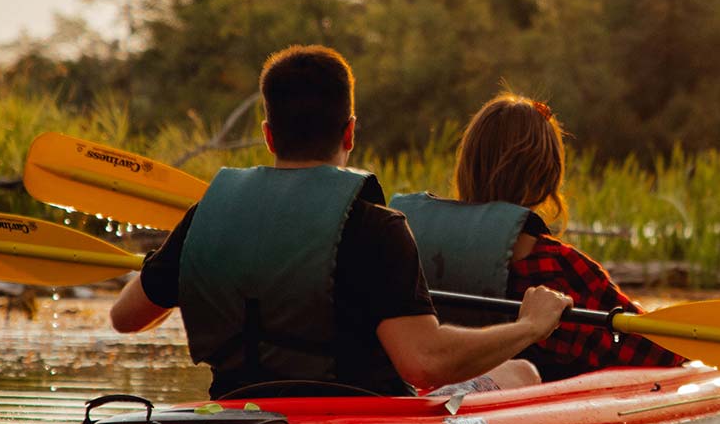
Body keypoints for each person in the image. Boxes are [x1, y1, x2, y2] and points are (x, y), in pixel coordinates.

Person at [109, 46, 570, 398]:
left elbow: (126, 316)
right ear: (350, 130)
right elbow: (424, 364)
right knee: (522, 371)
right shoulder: (377, 228)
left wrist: (189, 261)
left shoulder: (206, 218)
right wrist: (529, 326)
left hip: (239, 407)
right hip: (357, 417)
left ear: (269, 136)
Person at [388, 92, 683, 383]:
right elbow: (660, 355)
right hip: (511, 406)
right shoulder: (560, 268)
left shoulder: (403, 244)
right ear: (548, 175)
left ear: (467, 164)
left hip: (416, 396)